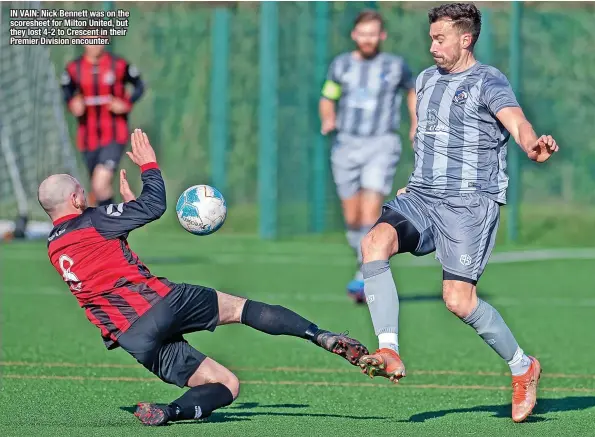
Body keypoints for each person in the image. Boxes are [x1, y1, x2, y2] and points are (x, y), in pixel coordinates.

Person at [39, 129, 369, 427]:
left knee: (226, 384)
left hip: (133, 337)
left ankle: (167, 412)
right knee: (241, 309)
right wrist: (149, 165)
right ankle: (319, 335)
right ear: (75, 199)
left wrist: (126, 211)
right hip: (161, 305)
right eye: (82, 191)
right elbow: (154, 205)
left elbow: (104, 259)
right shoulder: (94, 219)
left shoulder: (55, 247)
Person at [356, 3, 559, 423]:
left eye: (440, 38)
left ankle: (523, 367)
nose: (432, 45)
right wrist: (415, 179)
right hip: (423, 195)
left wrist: (530, 144)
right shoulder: (426, 79)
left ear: (465, 39)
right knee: (374, 242)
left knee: (458, 300)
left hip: (469, 204)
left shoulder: (488, 80)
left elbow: (516, 120)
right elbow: (427, 137)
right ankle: (389, 348)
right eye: (431, 37)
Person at [319, 9, 417, 303]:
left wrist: (415, 123)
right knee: (352, 216)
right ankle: (363, 261)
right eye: (363, 33)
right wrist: (328, 118)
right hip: (347, 145)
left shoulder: (395, 66)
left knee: (371, 208)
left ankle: (365, 273)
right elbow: (328, 96)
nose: (368, 38)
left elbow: (412, 91)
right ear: (354, 35)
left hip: (381, 143)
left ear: (381, 36)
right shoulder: (341, 66)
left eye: (373, 33)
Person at [61, 34, 145, 207]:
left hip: (114, 135)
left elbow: (139, 85)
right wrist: (72, 103)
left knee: (100, 184)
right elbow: (66, 92)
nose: (94, 44)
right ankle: (109, 228)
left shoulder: (118, 65)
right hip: (88, 138)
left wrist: (125, 103)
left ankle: (114, 227)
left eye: (98, 39)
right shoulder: (73, 68)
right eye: (89, 39)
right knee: (99, 189)